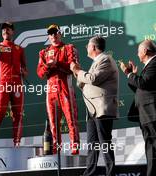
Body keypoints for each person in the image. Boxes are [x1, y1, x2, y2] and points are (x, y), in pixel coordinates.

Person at [71, 36, 118, 176]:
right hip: (92, 109)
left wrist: (78, 71)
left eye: (87, 45)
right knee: (92, 143)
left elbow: (93, 79)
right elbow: (83, 83)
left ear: (93, 47)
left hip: (102, 108)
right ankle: (89, 172)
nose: (86, 48)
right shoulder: (97, 61)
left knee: (104, 141)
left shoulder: (105, 59)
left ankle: (111, 172)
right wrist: (77, 71)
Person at [37, 24, 80, 155]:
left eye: (55, 33)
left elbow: (73, 68)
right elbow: (40, 73)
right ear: (48, 37)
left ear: (60, 34)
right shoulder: (44, 52)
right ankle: (55, 151)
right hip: (51, 91)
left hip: (65, 88)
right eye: (50, 34)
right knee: (53, 124)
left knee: (71, 121)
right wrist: (48, 67)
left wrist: (58, 64)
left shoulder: (68, 48)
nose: (53, 36)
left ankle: (75, 150)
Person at [119, 40, 156, 176]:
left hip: (151, 114)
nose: (137, 53)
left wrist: (129, 73)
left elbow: (143, 83)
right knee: (151, 148)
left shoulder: (154, 63)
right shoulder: (149, 66)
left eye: (139, 51)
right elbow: (140, 88)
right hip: (146, 114)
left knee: (153, 148)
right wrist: (133, 75)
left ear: (145, 51)